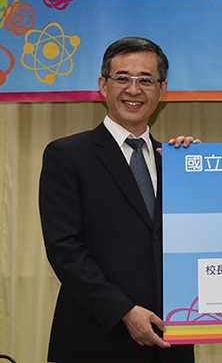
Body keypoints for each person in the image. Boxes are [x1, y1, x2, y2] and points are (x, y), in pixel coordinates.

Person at [39, 37, 199, 363]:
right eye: (122, 78)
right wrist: (124, 311)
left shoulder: (176, 161)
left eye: (146, 80)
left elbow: (199, 238)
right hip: (97, 338)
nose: (134, 90)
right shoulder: (68, 155)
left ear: (163, 90)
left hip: (171, 341)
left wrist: (200, 174)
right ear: (103, 85)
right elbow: (64, 249)